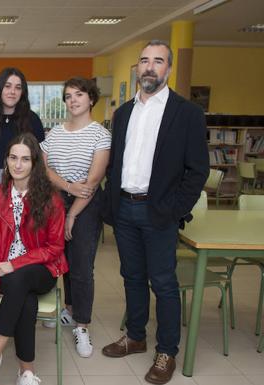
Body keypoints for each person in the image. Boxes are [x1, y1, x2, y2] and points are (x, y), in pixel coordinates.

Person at [101, 40, 209, 385]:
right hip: (125, 209)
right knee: (131, 277)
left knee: (163, 283)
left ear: (169, 69)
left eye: (158, 61)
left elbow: (198, 170)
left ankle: (167, 351)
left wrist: (176, 209)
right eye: (145, 61)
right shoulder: (124, 113)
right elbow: (115, 162)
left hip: (159, 211)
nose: (150, 67)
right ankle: (135, 336)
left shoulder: (187, 113)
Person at [0, 133, 68, 385]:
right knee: (24, 299)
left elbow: (55, 247)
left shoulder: (52, 199)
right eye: (13, 158)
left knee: (21, 278)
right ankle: (27, 373)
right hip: (6, 274)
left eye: (25, 159)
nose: (18, 164)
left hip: (42, 269)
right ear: (6, 160)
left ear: (35, 164)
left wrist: (15, 263)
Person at [40, 77, 111, 358]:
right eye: (68, 96)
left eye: (79, 95)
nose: (73, 100)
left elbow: (93, 181)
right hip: (58, 200)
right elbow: (44, 169)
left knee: (82, 267)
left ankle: (82, 324)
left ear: (91, 98)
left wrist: (73, 214)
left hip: (87, 205)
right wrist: (67, 188)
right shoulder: (55, 133)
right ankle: (69, 310)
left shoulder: (100, 134)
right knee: (64, 263)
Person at [0, 67, 45, 189]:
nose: (12, 91)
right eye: (7, 86)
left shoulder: (32, 120)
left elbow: (40, 158)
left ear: (23, 92)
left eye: (18, 87)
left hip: (24, 181)